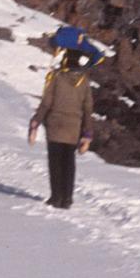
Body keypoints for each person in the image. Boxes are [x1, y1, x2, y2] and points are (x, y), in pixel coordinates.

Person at [29, 48, 95, 209]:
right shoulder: (83, 81)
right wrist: (87, 133)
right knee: (69, 162)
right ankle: (67, 198)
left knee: (55, 161)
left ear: (65, 59)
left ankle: (56, 197)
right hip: (74, 126)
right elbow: (88, 108)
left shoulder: (56, 77)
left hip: (55, 125)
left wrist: (36, 122)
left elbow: (46, 103)